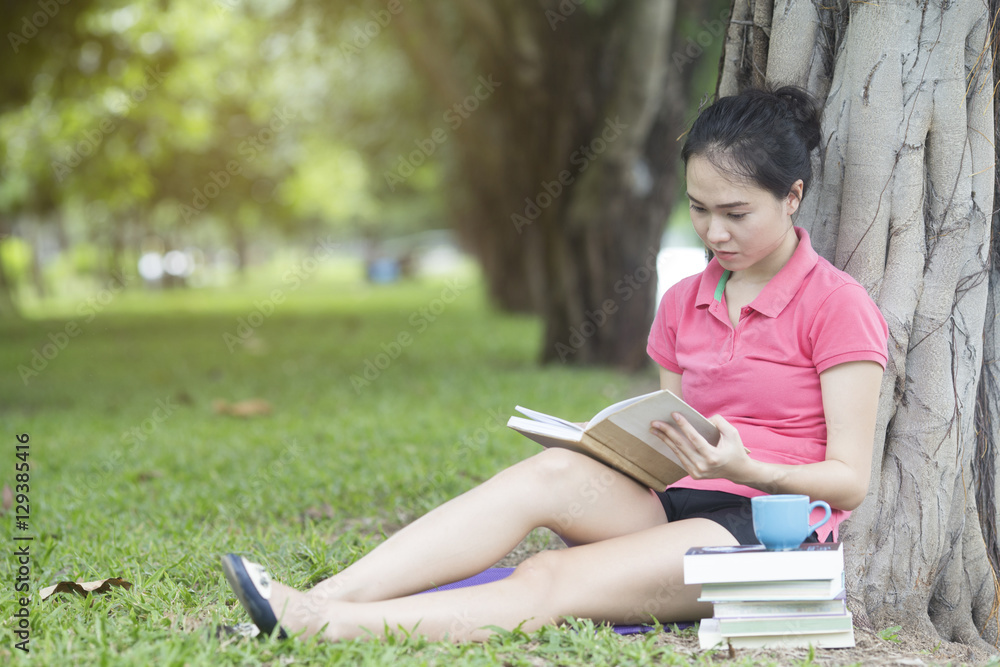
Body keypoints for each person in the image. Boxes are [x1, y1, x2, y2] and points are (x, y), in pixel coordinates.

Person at [221, 84, 889, 643]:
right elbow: (667, 432)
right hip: (677, 499)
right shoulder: (686, 299)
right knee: (551, 472)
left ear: (792, 196)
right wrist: (613, 448)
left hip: (768, 532)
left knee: (547, 577)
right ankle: (316, 596)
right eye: (699, 209)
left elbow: (848, 482)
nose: (714, 233)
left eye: (737, 213)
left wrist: (747, 467)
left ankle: (324, 625)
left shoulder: (837, 305)